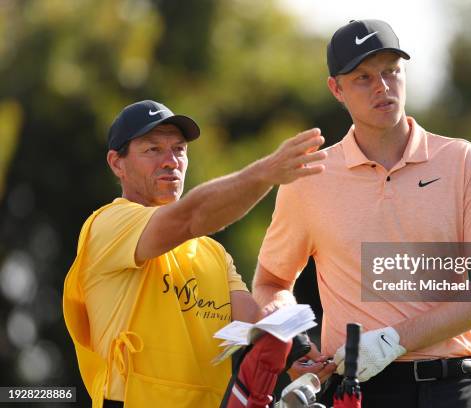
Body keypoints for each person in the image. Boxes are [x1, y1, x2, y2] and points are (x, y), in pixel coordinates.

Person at [253, 19, 471, 407]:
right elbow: (271, 281)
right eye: (363, 77)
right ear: (336, 89)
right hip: (356, 390)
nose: (382, 86)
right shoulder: (308, 178)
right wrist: (294, 337)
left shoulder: (464, 161)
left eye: (391, 71)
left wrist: (394, 341)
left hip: (450, 388)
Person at [63, 99, 327, 408]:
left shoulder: (211, 252)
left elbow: (254, 321)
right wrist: (264, 173)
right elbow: (191, 217)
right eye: (153, 149)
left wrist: (298, 349)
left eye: (179, 149)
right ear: (116, 163)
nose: (170, 161)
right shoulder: (108, 224)